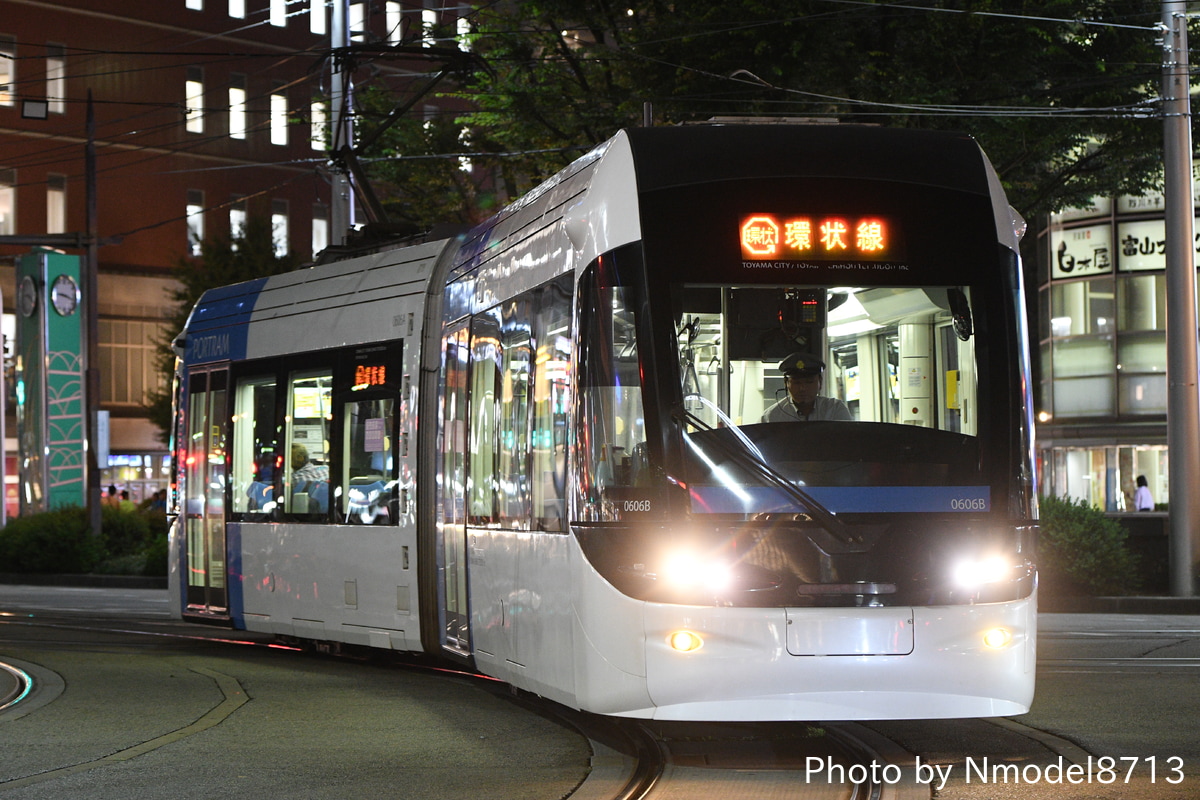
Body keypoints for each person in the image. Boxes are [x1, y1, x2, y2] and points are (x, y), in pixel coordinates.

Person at [762, 351, 852, 422]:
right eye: (796, 383)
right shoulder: (771, 417)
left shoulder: (834, 410)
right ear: (786, 383)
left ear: (820, 382)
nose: (802, 388)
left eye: (809, 382)